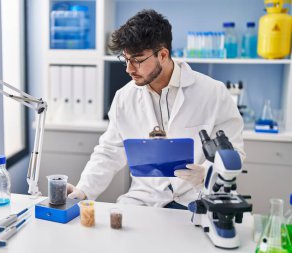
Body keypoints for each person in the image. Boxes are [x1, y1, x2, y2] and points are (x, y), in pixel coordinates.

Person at [67, 9, 245, 209]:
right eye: (125, 59)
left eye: (137, 60)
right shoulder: (124, 98)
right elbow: (109, 152)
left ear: (162, 54)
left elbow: (234, 152)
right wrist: (83, 190)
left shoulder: (213, 92)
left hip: (196, 196)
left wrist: (206, 174)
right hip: (145, 199)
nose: (129, 69)